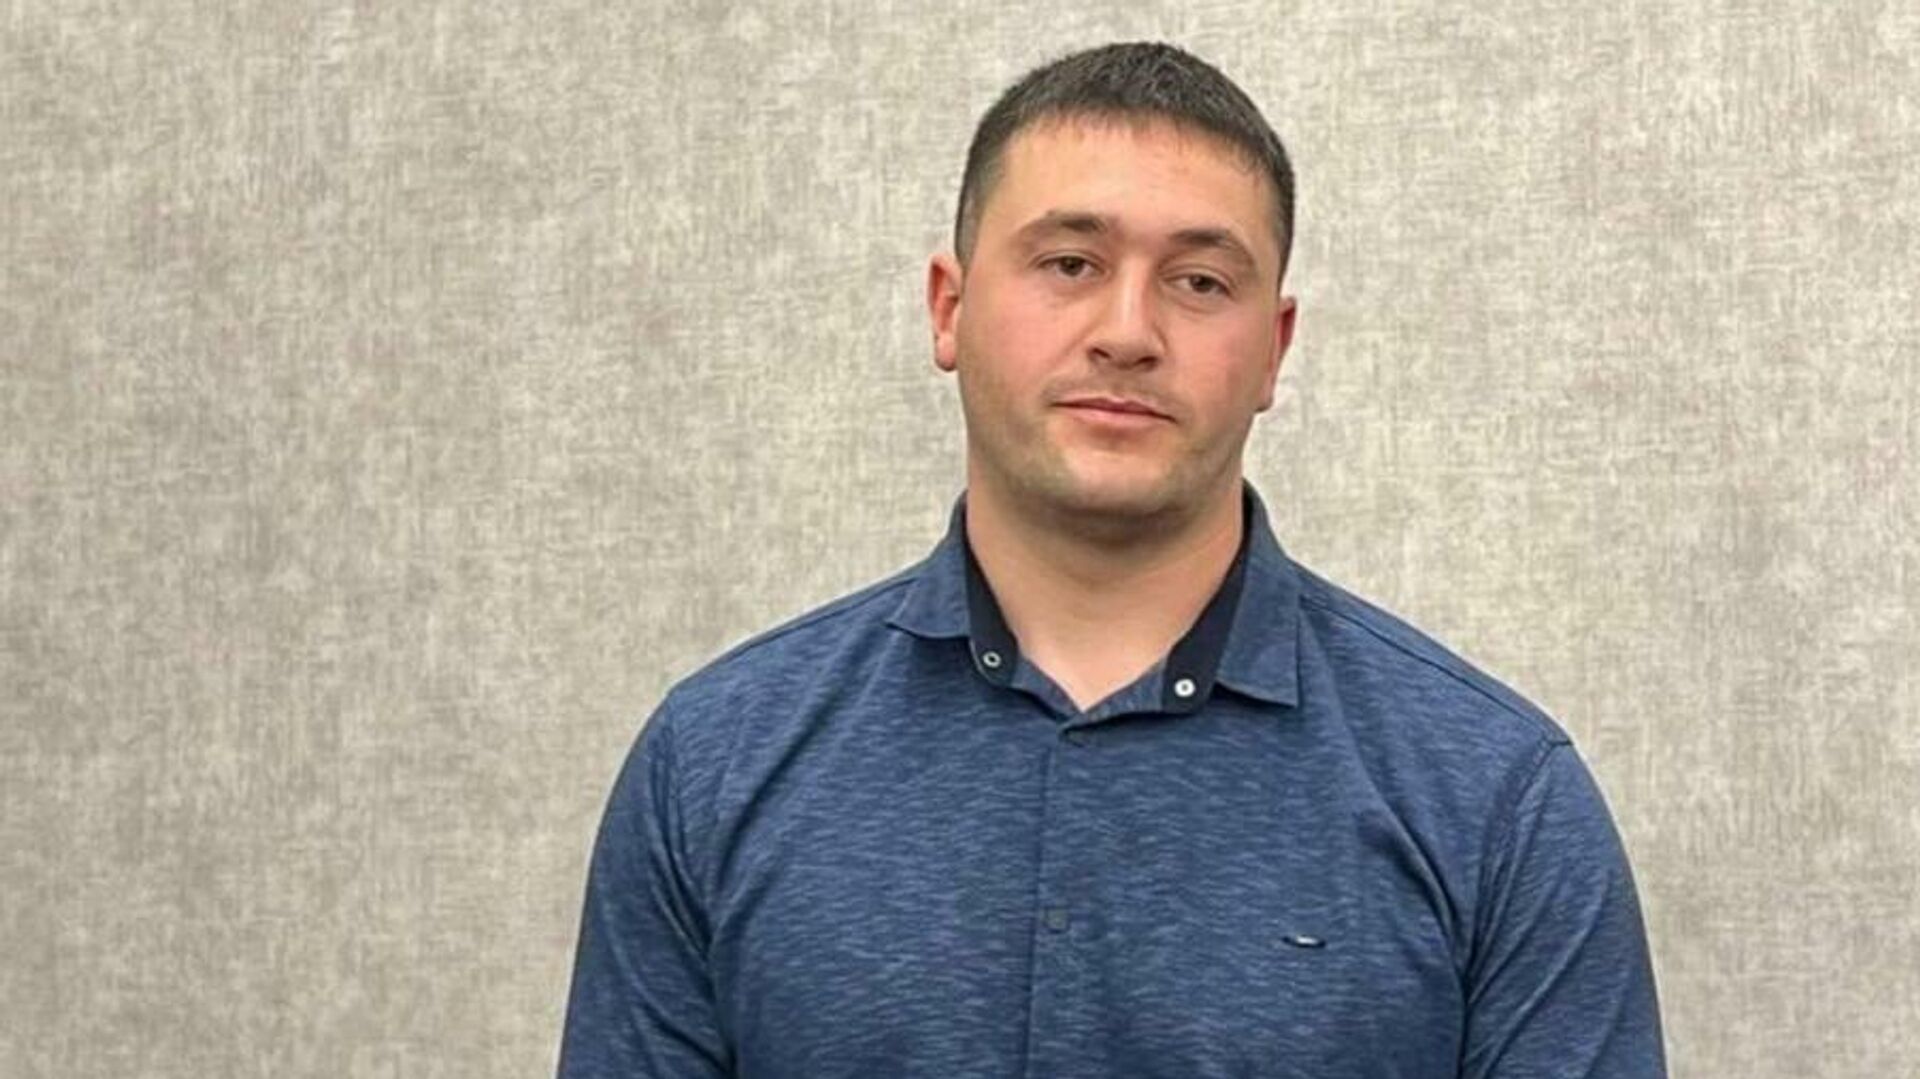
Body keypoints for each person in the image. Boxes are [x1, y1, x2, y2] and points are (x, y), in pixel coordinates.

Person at [557, 41, 1667, 1079]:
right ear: (949, 309)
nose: (1127, 331)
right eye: (1070, 262)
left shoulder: (1496, 796)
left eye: (1200, 281)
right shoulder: (714, 762)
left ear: (1273, 350)